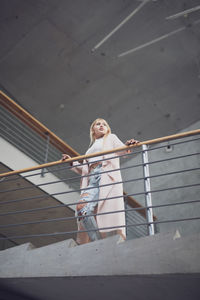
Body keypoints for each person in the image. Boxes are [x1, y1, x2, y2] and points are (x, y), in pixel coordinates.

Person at [62, 118, 139, 244]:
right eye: (98, 124)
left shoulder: (111, 138)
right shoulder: (91, 148)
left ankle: (99, 242)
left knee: (103, 213)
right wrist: (72, 162)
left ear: (108, 128)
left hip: (105, 176)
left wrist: (128, 145)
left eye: (104, 124)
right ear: (93, 130)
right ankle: (97, 241)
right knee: (81, 209)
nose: (101, 125)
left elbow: (121, 149)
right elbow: (85, 169)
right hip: (92, 179)